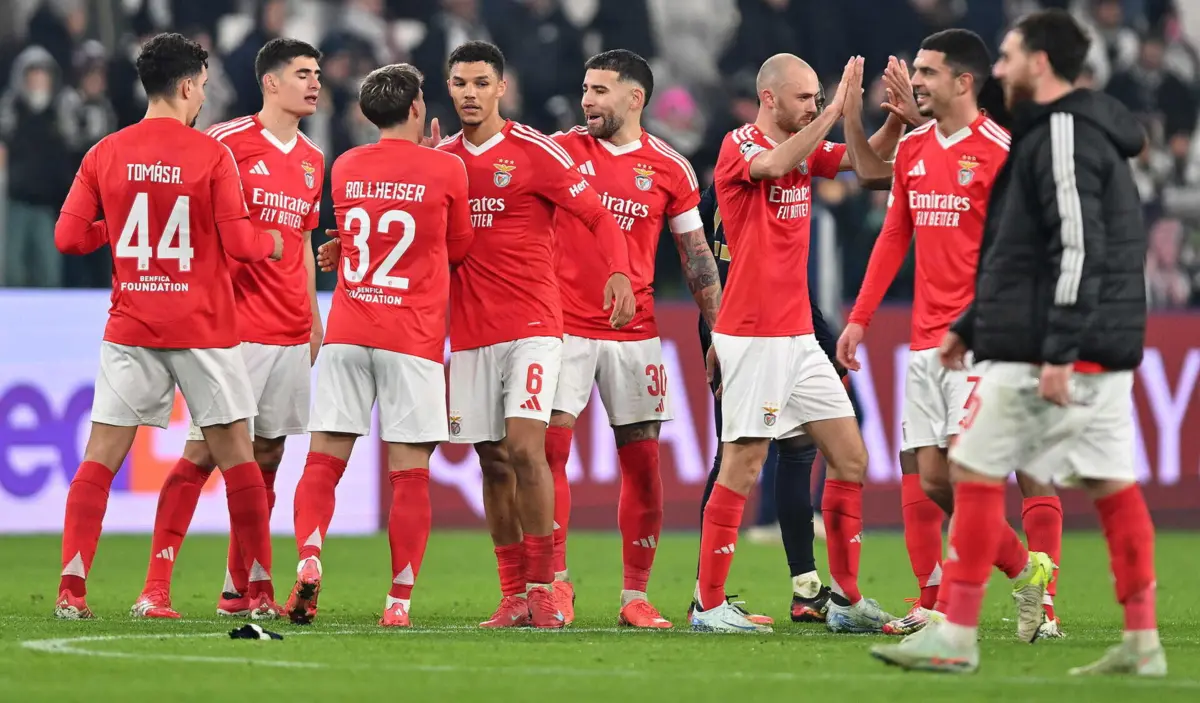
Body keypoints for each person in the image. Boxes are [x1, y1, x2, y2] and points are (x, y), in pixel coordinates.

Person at [871, 9, 1160, 676]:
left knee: (973, 471)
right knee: (1111, 484)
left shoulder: (1055, 134)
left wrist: (1057, 350)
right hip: (1091, 332)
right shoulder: (1060, 130)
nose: (997, 70)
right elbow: (1021, 249)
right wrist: (972, 327)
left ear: (1039, 63)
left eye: (1007, 58)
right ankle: (1140, 639)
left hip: (1058, 338)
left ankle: (961, 629)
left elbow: (1072, 247)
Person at [836, 29, 1061, 639]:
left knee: (972, 472)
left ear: (964, 82)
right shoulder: (911, 151)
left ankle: (956, 609)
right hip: (924, 341)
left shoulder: (1001, 152)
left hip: (987, 341)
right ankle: (1027, 573)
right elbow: (894, 237)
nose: (916, 84)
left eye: (928, 73)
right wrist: (859, 317)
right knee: (932, 478)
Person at [51, 32, 283, 620]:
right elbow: (240, 243)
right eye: (203, 87)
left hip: (132, 327)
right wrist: (278, 239)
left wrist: (121, 231)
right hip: (202, 329)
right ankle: (257, 591)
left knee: (100, 458)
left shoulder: (105, 151)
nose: (203, 97)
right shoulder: (211, 154)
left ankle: (72, 590)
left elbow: (69, 237)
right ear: (185, 87)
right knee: (239, 463)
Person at [690, 54, 899, 634]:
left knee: (850, 456)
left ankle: (846, 601)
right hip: (753, 334)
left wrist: (895, 119)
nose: (812, 105)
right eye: (804, 97)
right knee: (744, 463)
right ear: (770, 97)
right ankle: (708, 605)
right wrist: (832, 111)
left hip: (800, 335)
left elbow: (868, 163)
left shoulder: (802, 145)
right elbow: (775, 163)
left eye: (817, 98)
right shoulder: (740, 144)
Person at [437, 41, 635, 629]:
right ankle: (514, 594)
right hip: (471, 331)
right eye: (459, 84)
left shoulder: (535, 152)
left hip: (533, 327)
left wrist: (619, 272)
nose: (468, 94)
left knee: (526, 448)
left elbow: (598, 215)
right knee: (491, 462)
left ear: (502, 88)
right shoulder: (443, 160)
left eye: (480, 83)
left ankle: (547, 585)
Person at [131, 37, 325, 620]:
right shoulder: (224, 143)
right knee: (203, 457)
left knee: (266, 460)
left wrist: (315, 316)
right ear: (269, 82)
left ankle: (239, 589)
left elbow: (303, 241)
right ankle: (155, 586)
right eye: (301, 74)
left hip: (291, 330)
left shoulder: (315, 160)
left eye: (317, 73)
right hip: (233, 330)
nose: (314, 83)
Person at [530, 49, 717, 628]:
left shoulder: (670, 168)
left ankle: (634, 596)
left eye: (601, 91)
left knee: (642, 464)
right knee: (549, 453)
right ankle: (555, 585)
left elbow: (696, 259)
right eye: (585, 88)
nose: (588, 99)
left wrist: (719, 331)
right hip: (561, 327)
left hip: (635, 333)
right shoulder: (559, 151)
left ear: (635, 99)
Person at [285, 63, 474, 627]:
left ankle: (311, 556)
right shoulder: (448, 169)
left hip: (347, 331)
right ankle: (397, 603)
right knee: (410, 474)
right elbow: (459, 248)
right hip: (410, 339)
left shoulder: (345, 166)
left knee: (322, 463)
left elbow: (357, 231)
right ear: (418, 108)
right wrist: (440, 164)